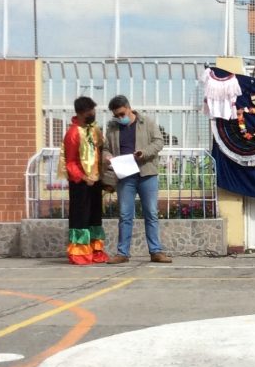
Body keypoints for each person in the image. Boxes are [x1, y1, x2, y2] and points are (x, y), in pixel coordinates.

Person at [101, 95, 173, 264]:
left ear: (129, 108)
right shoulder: (112, 128)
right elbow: (105, 148)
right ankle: (122, 253)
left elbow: (159, 142)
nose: (120, 118)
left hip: (147, 173)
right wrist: (107, 156)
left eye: (122, 114)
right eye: (116, 115)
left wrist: (144, 153)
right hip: (125, 175)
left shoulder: (146, 122)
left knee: (151, 213)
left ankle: (155, 251)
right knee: (125, 215)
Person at [60, 97, 109, 265]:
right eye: (90, 111)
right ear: (81, 113)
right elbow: (70, 162)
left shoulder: (95, 130)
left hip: (95, 180)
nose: (94, 113)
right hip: (80, 183)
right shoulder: (73, 133)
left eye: (94, 110)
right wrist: (83, 177)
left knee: (95, 216)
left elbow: (101, 151)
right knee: (80, 217)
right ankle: (79, 252)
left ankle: (95, 250)